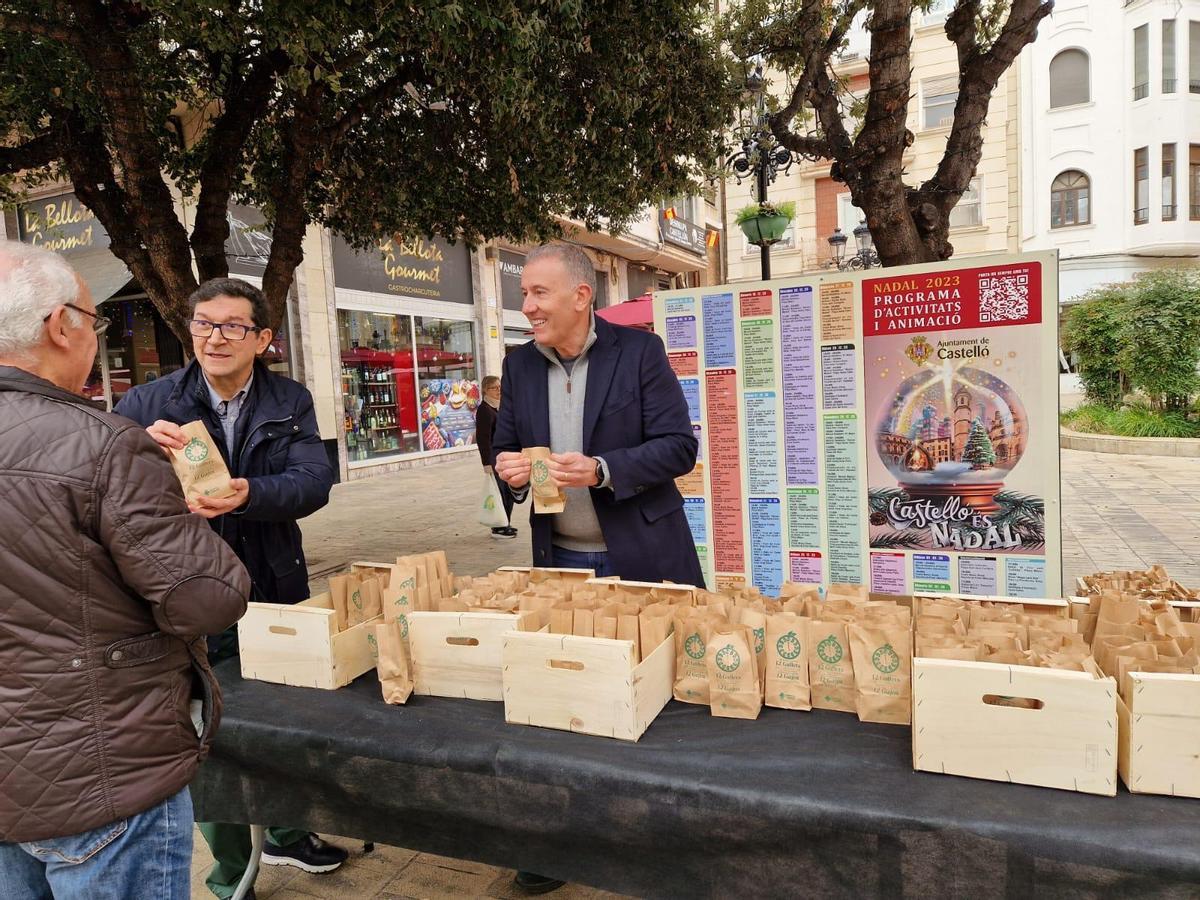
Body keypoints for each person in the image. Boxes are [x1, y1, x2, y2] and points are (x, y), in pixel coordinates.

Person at [0, 241, 251, 899]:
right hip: (101, 771)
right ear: (60, 325)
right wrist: (181, 515)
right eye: (95, 318)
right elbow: (206, 598)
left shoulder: (102, 438)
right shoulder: (107, 445)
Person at [115, 277, 342, 898]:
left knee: (287, 716)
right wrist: (143, 454)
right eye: (204, 324)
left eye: (233, 326)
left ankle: (289, 835)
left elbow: (314, 480)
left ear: (263, 338)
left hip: (272, 583)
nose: (216, 337)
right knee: (206, 729)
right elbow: (105, 492)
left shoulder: (290, 398)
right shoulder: (146, 403)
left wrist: (250, 494)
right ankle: (228, 868)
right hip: (185, 588)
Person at [492, 243, 703, 894]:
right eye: (524, 293)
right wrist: (508, 473)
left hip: (640, 555)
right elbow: (502, 450)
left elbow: (679, 448)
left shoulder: (638, 354)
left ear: (582, 296)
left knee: (661, 701)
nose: (526, 306)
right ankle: (561, 845)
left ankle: (671, 836)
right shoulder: (520, 366)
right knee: (567, 700)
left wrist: (606, 469)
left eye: (538, 293)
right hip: (561, 564)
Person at [476, 374, 517, 539]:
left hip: (506, 458)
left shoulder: (500, 407)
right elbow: (483, 439)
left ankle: (505, 522)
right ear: (486, 390)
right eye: (495, 388)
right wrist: (486, 463)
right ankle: (499, 526)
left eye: (500, 387)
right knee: (499, 494)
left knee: (509, 492)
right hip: (494, 459)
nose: (499, 390)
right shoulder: (484, 410)